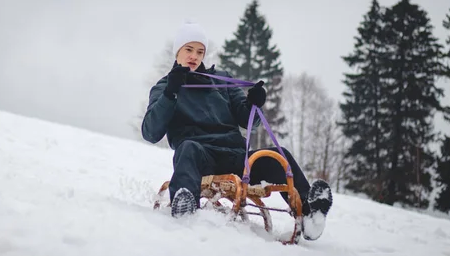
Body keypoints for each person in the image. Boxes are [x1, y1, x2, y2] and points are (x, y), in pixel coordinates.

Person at [141, 20, 332, 240]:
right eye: (189, 49)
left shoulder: (222, 81)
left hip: (236, 156)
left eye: (200, 51)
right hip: (201, 157)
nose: (194, 56)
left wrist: (254, 103)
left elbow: (247, 118)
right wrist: (171, 93)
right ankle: (184, 205)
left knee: (279, 156)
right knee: (188, 148)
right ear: (178, 52)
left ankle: (310, 214)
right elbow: (150, 132)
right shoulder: (165, 87)